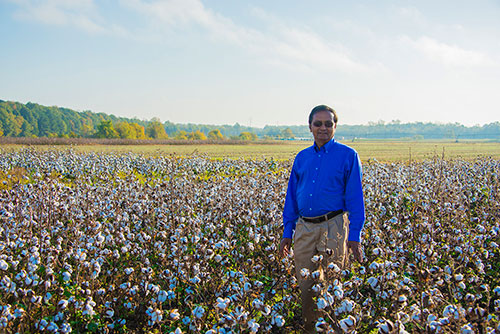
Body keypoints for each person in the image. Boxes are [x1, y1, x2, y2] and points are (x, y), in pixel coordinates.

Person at [279, 104, 365, 332]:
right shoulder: (302, 157)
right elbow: (292, 198)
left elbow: (356, 199)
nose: (323, 128)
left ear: (335, 126)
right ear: (310, 126)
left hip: (333, 226)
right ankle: (310, 329)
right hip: (304, 228)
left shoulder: (348, 156)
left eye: (328, 123)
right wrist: (288, 233)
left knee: (332, 286)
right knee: (306, 286)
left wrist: (354, 236)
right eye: (318, 123)